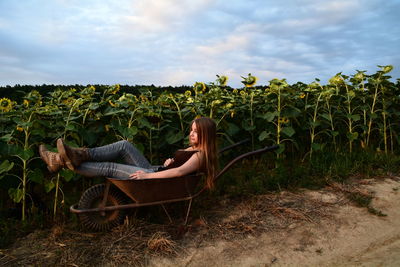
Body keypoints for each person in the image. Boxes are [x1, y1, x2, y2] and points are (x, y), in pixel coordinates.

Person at [39, 117, 218, 189]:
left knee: (109, 167)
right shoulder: (194, 150)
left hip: (155, 179)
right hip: (157, 171)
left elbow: (179, 173)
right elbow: (177, 166)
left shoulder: (200, 154)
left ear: (206, 134)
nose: (191, 133)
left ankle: (60, 161)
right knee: (124, 144)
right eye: (191, 130)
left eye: (196, 131)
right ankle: (78, 154)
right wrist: (166, 164)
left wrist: (146, 177)